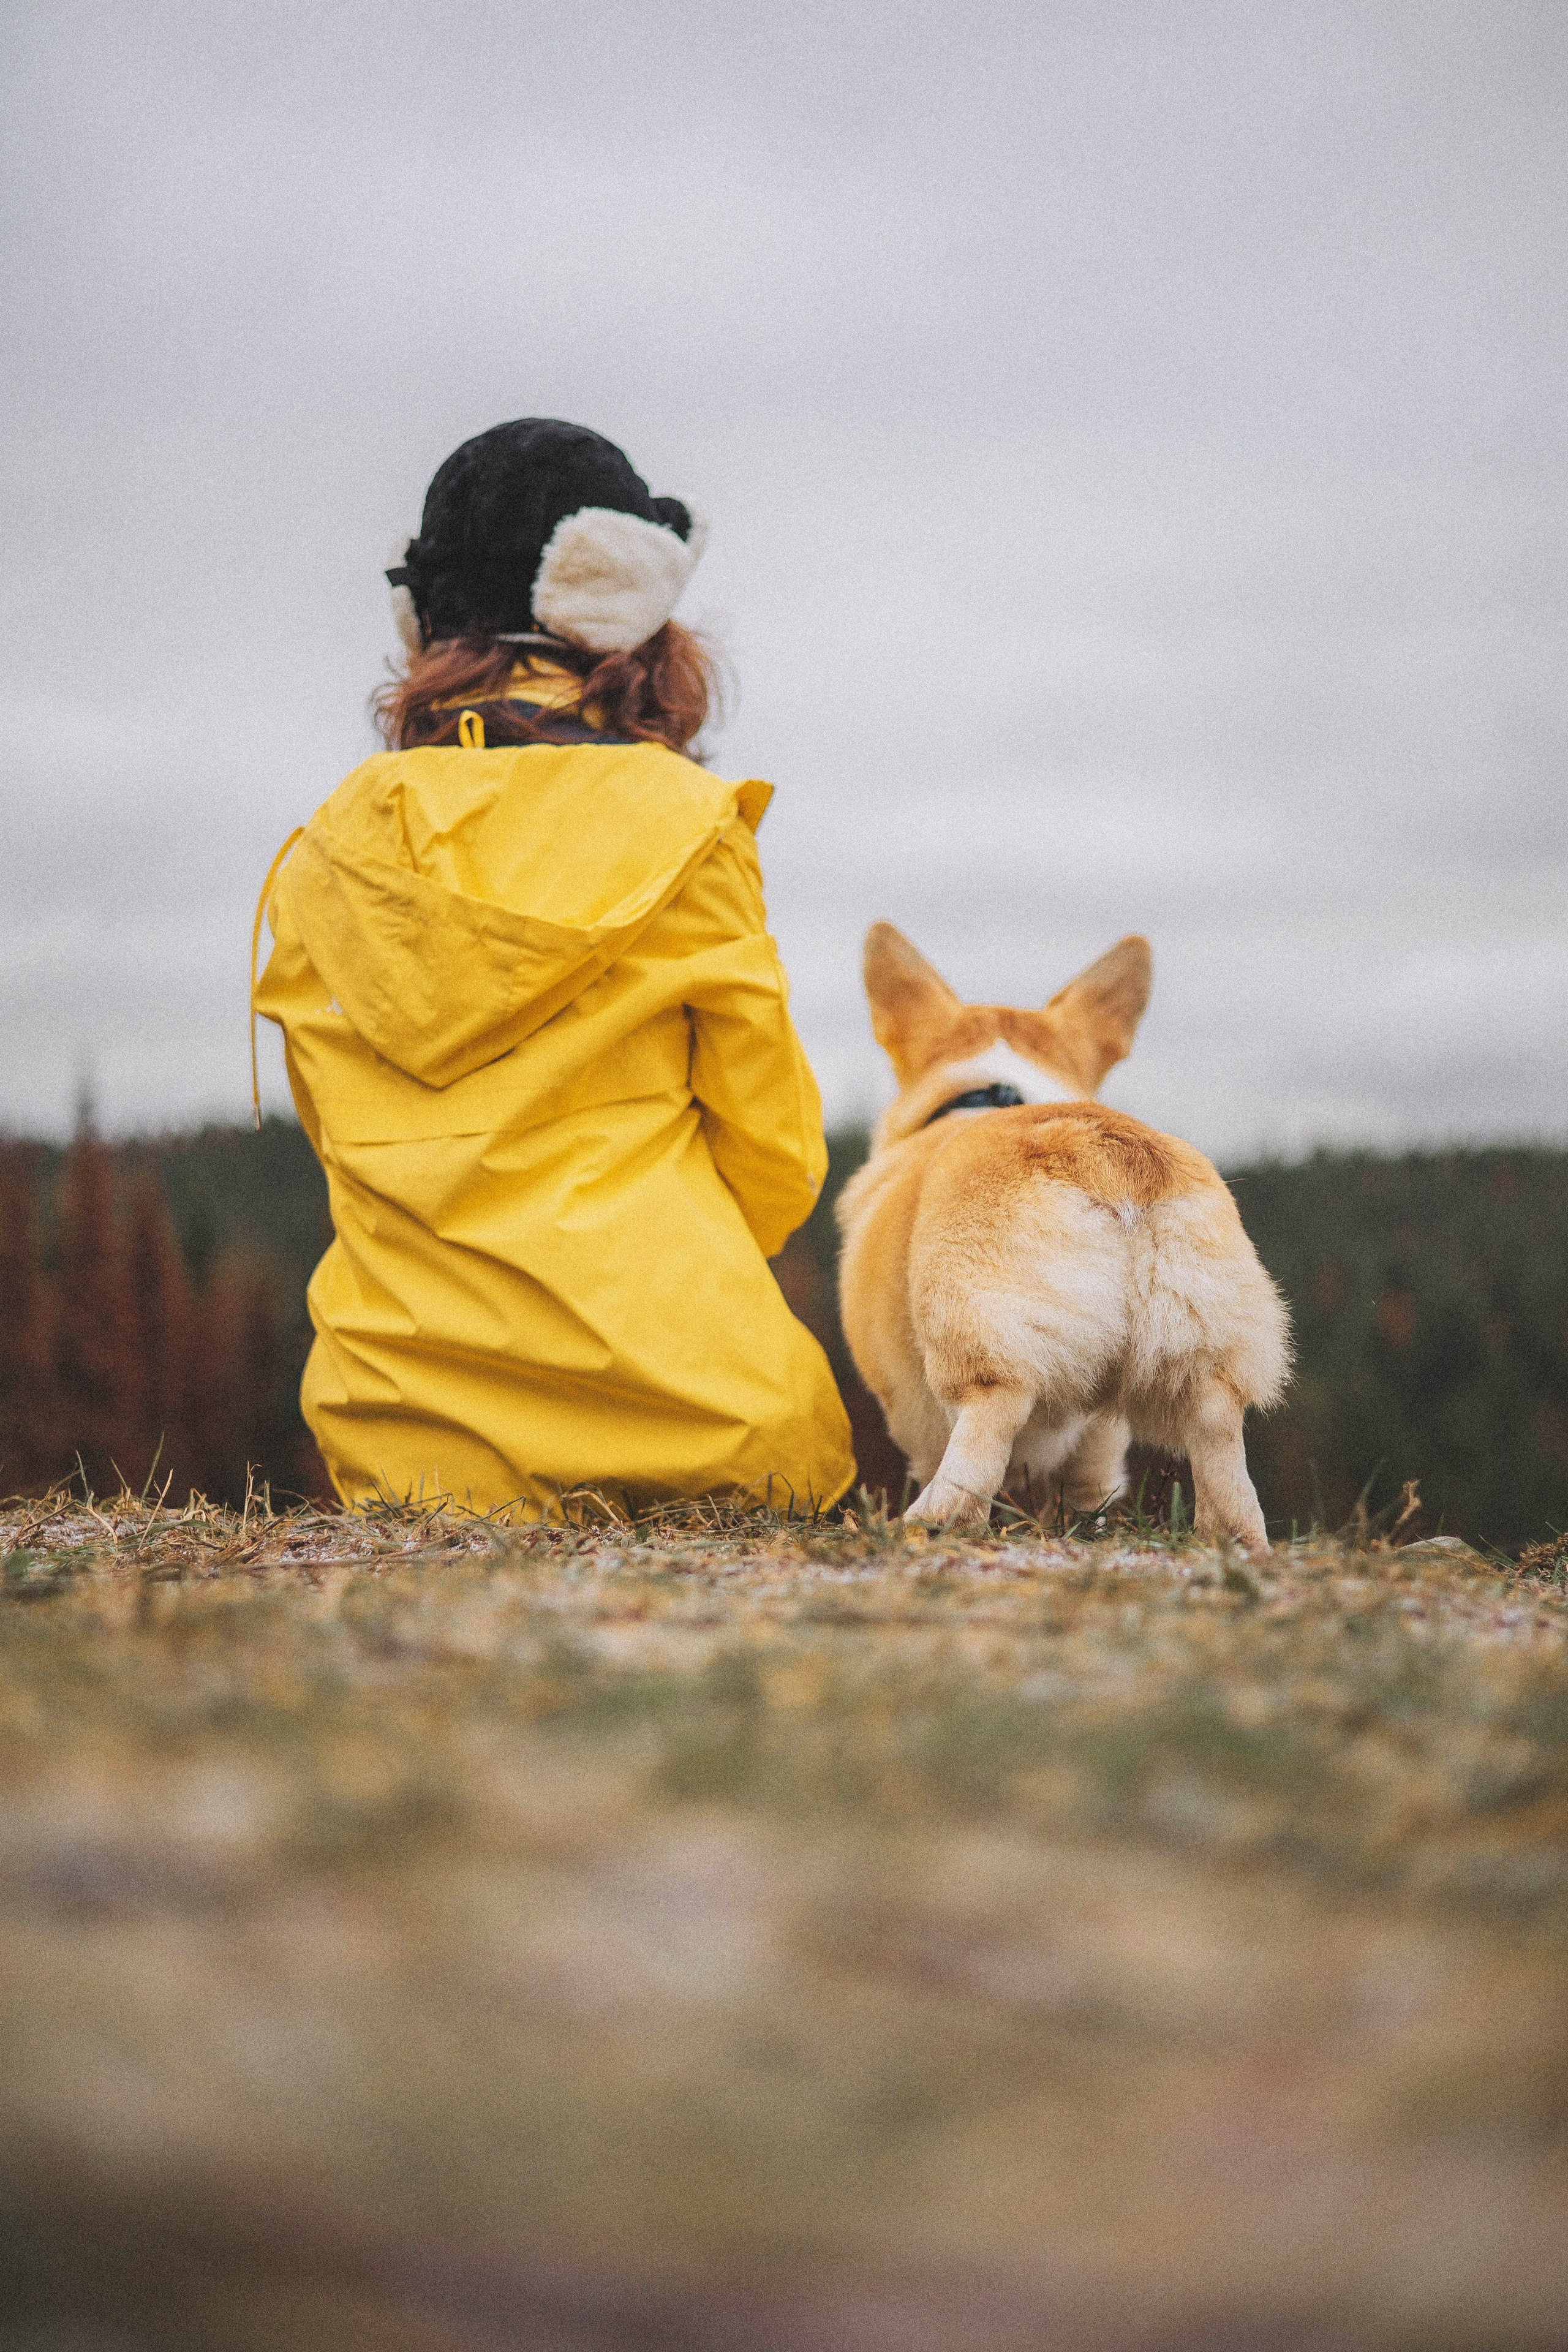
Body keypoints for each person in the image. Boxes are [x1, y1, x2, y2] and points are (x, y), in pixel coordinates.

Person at [252, 418, 854, 1520]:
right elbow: (775, 1159)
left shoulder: (329, 847)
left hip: (411, 1458)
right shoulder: (684, 821)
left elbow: (338, 1132)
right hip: (711, 1435)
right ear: (631, 604)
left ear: (423, 621)